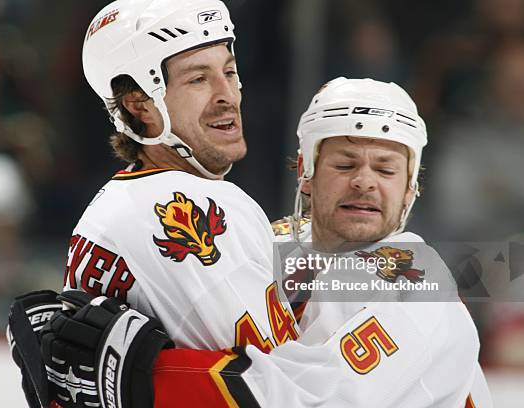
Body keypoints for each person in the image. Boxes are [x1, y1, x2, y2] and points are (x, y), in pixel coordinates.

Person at [37, 78, 493, 407]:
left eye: (387, 170)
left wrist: (139, 380)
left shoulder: (419, 290)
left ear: (412, 189)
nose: (364, 183)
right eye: (345, 163)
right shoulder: (262, 242)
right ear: (305, 173)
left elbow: (310, 400)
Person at [7, 1, 299, 407]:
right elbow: (287, 388)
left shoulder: (119, 202)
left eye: (229, 71)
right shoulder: (176, 206)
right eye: (199, 79)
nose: (227, 95)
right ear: (139, 105)